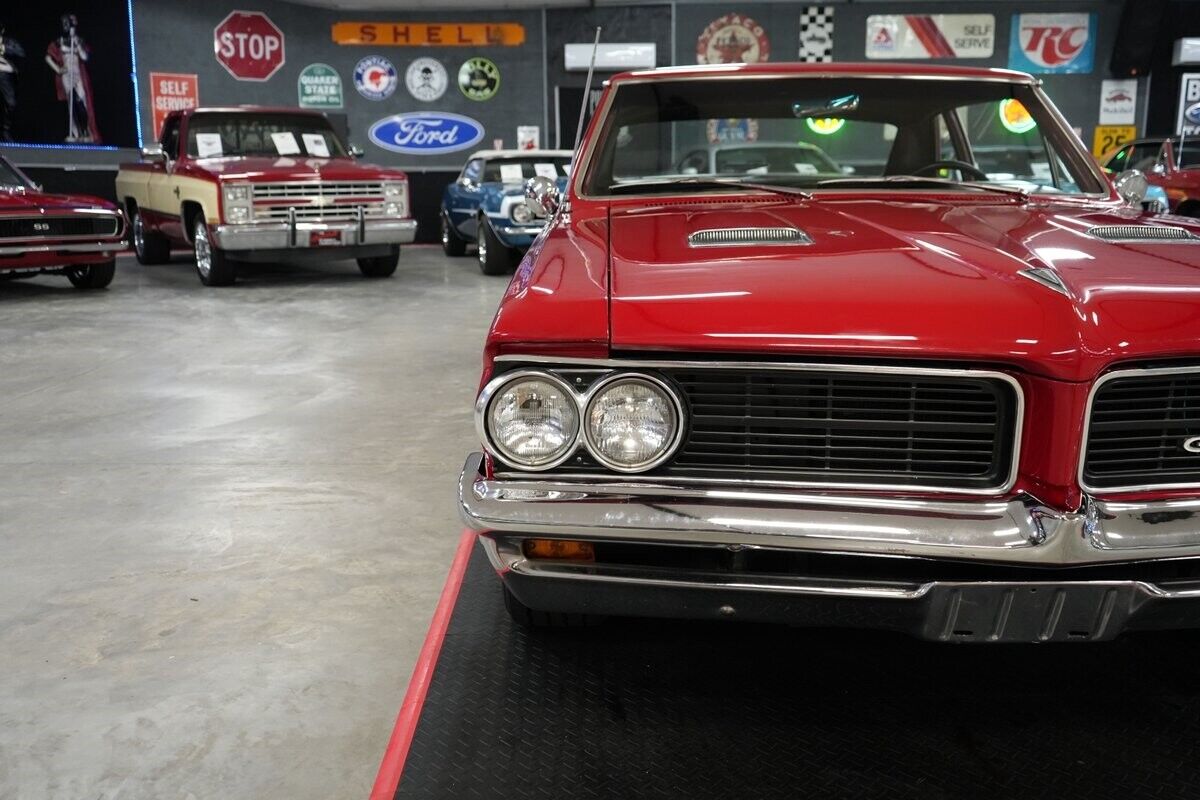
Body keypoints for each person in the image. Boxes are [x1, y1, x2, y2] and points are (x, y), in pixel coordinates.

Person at [45, 14, 99, 143]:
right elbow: (48, 57)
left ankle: (86, 131)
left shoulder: (79, 41)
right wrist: (58, 69)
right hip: (66, 74)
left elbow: (85, 58)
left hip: (78, 74)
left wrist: (77, 43)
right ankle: (75, 133)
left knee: (82, 102)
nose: (66, 27)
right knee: (71, 104)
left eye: (68, 24)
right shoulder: (59, 42)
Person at [0, 24, 25, 142]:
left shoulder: (8, 42)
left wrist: (4, 49)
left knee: (10, 103)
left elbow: (21, 53)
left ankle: (5, 129)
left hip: (5, 75)